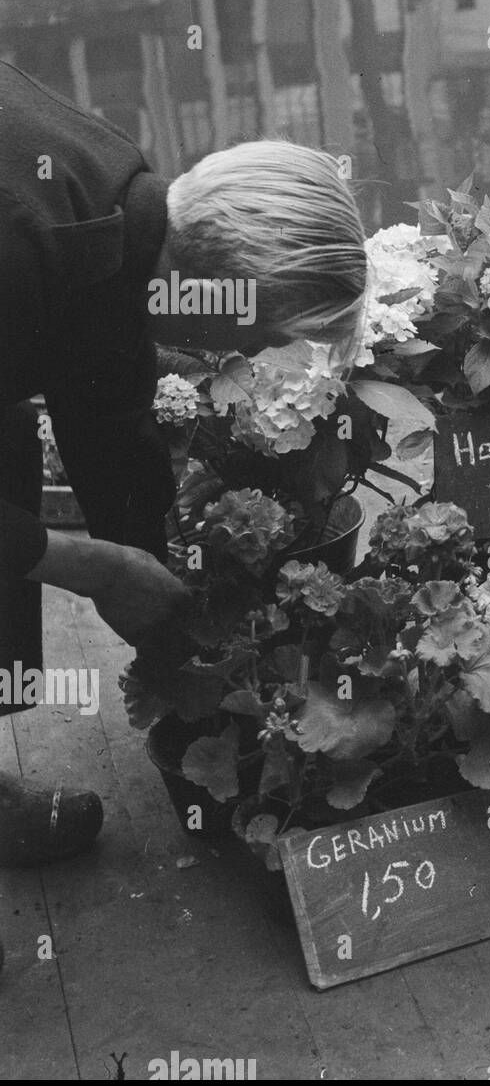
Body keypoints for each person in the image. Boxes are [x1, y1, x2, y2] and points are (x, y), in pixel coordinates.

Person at [0, 59, 368, 873]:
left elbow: (105, 400)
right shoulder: (21, 246)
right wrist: (85, 565)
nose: (260, 358)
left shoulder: (125, 213)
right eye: (267, 337)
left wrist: (163, 595)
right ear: (220, 292)